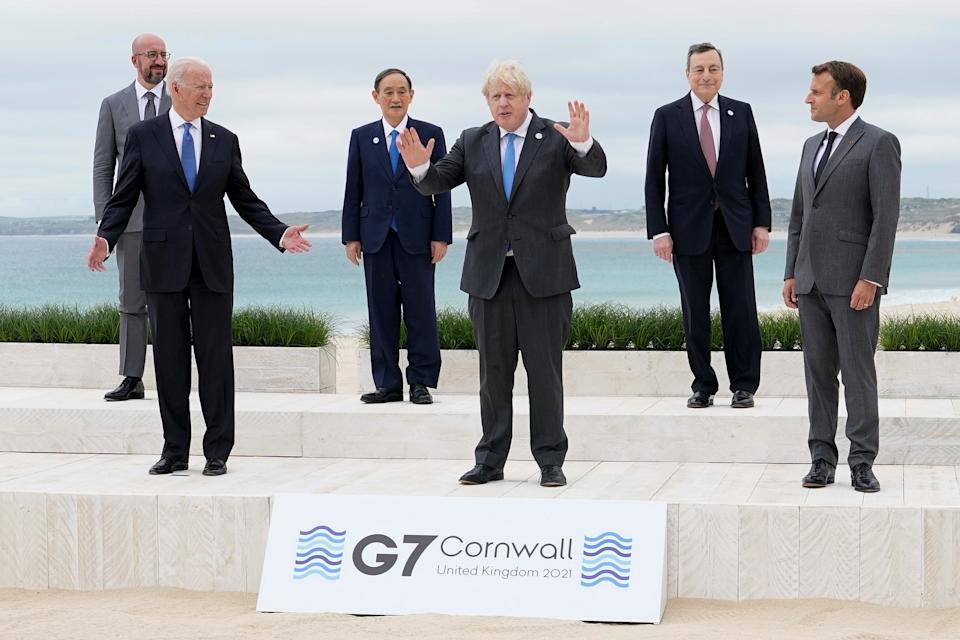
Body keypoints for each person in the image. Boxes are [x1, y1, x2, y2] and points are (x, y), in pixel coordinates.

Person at [87, 57, 312, 477]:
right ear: (176, 88)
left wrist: (279, 233)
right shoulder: (143, 136)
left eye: (211, 87)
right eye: (200, 86)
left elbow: (245, 198)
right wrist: (106, 237)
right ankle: (174, 451)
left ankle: (217, 450)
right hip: (162, 263)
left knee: (215, 360)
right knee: (169, 361)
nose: (208, 94)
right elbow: (124, 196)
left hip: (211, 264)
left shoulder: (224, 139)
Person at [397, 61, 606, 487]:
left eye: (511, 95)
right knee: (493, 375)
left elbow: (594, 168)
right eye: (496, 96)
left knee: (545, 374)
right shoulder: (472, 140)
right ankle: (490, 460)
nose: (503, 102)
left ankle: (550, 460)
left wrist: (584, 144)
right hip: (489, 275)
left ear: (528, 98)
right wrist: (419, 168)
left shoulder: (556, 135)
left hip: (544, 275)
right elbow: (437, 181)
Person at [783, 61, 900, 493]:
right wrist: (791, 271)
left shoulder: (879, 143)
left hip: (854, 283)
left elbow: (885, 219)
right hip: (809, 281)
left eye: (816, 91)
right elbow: (799, 215)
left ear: (842, 96)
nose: (808, 98)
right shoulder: (810, 145)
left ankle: (862, 461)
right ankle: (820, 458)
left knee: (857, 373)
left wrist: (871, 277)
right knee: (817, 375)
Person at [645, 42, 771, 410]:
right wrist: (659, 230)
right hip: (686, 230)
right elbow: (655, 178)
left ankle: (744, 385)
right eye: (699, 69)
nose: (706, 75)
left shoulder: (741, 113)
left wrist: (761, 223)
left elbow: (756, 172)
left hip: (736, 227)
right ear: (687, 74)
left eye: (713, 68)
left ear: (722, 72)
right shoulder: (667, 116)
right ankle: (703, 384)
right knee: (694, 311)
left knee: (741, 309)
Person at [342, 68, 452, 405]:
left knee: (420, 310)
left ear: (411, 95)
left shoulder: (430, 133)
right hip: (375, 236)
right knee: (381, 311)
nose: (395, 98)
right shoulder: (361, 136)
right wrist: (351, 236)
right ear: (375, 96)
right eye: (388, 91)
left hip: (418, 236)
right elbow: (353, 188)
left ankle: (420, 381)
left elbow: (442, 188)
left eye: (402, 91)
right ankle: (387, 383)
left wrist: (441, 235)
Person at [93, 33, 172, 402]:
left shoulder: (181, 99)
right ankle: (132, 376)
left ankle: (174, 375)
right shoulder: (113, 105)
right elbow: (103, 164)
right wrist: (105, 223)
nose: (159, 61)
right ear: (135, 60)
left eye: (163, 54)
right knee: (130, 301)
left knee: (174, 300)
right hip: (131, 222)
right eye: (152, 55)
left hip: (175, 221)